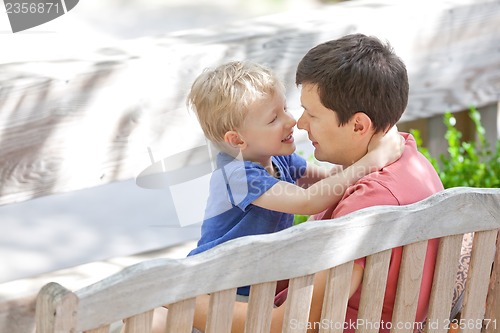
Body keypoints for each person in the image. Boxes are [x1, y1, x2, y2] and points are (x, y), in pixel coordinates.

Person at [181, 34, 444, 333]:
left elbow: (290, 322)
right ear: (237, 138)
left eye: (312, 113)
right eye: (275, 117)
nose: (298, 122)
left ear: (359, 124)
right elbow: (318, 193)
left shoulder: (368, 204)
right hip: (223, 279)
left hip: (253, 293)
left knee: (158, 316)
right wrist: (369, 162)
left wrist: (175, 298)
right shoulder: (407, 157)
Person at [185, 60, 403, 298]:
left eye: (285, 109)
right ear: (237, 140)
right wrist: (374, 160)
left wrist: (363, 147)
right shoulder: (237, 176)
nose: (291, 121)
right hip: (217, 287)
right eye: (273, 119)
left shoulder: (278, 159)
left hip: (255, 282)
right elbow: (308, 201)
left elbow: (328, 182)